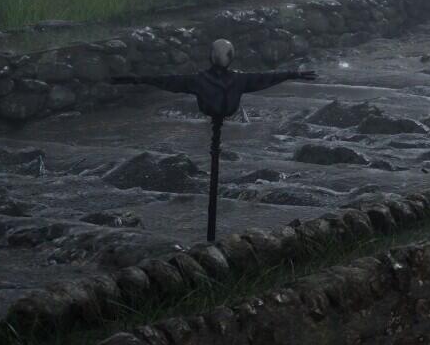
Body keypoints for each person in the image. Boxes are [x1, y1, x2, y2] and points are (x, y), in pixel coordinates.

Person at [113, 39, 316, 241]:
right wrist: (293, 74)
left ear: (211, 57)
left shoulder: (202, 80)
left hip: (216, 121)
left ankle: (210, 239)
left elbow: (167, 80)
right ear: (231, 57)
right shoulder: (237, 79)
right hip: (219, 120)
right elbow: (265, 78)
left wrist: (138, 79)